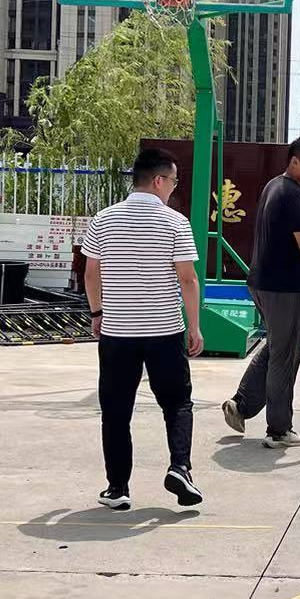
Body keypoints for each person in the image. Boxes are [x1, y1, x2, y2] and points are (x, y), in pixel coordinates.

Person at [82, 147, 204, 511]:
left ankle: (117, 488)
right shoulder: (175, 222)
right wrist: (194, 327)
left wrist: (97, 313)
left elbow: (91, 273)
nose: (174, 188)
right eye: (174, 181)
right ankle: (180, 467)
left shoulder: (103, 220)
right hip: (164, 330)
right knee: (177, 402)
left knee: (116, 410)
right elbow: (188, 279)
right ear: (159, 181)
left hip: (118, 332)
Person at [222, 135, 300, 449]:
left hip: (262, 282)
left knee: (276, 347)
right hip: (283, 288)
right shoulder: (293, 196)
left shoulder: (274, 186)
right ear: (294, 161)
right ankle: (278, 429)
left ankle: (241, 405)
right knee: (284, 358)